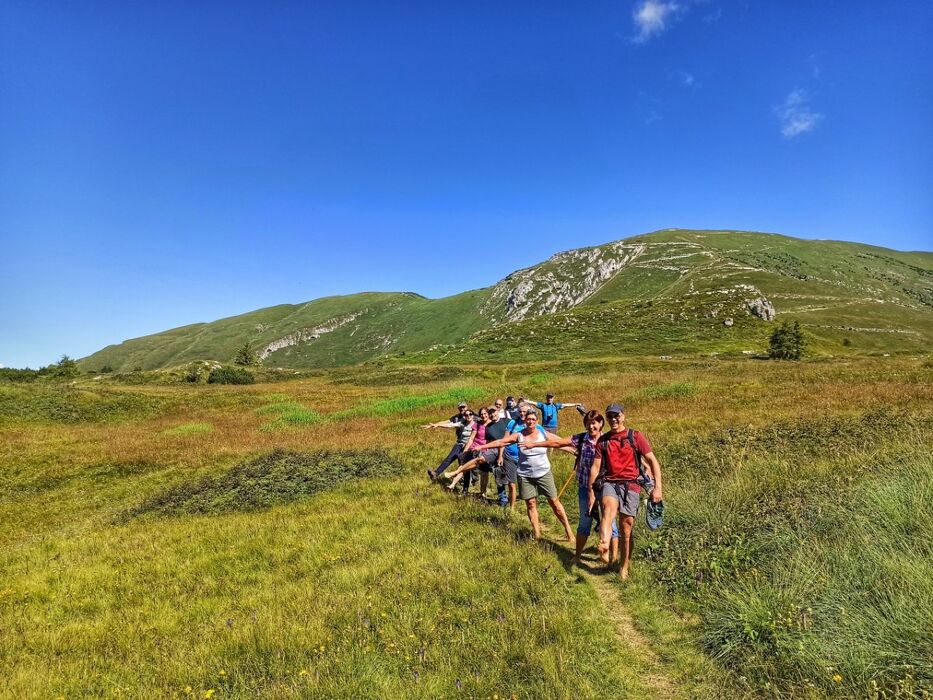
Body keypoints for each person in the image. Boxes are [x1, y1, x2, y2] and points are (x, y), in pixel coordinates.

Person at [525, 410, 620, 564]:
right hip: (584, 487)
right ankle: (577, 556)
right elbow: (557, 443)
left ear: (601, 423)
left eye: (594, 423)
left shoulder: (608, 439)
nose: (591, 426)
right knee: (585, 521)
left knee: (610, 522)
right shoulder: (581, 439)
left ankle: (614, 559)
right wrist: (535, 444)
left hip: (606, 487)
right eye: (588, 424)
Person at [589, 403, 664, 580]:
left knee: (626, 527)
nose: (613, 419)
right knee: (608, 509)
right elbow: (596, 467)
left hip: (631, 485)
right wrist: (591, 491)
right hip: (610, 482)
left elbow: (653, 461)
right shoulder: (603, 440)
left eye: (616, 416)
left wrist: (657, 488)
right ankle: (604, 543)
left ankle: (624, 566)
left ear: (623, 416)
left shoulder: (635, 436)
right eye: (610, 416)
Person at [482, 403, 574, 541]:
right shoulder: (519, 435)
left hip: (543, 473)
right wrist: (482, 447)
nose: (530, 421)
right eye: (528, 419)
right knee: (531, 503)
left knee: (554, 502)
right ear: (525, 421)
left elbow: (558, 443)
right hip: (525, 475)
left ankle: (569, 531)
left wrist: (574, 451)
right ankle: (537, 535)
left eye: (533, 419)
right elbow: (501, 442)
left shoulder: (542, 432)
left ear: (537, 421)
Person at [423, 403, 475, 482]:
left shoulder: (476, 423)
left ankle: (467, 482)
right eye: (466, 415)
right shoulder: (461, 422)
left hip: (468, 446)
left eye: (470, 414)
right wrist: (437, 425)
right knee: (449, 458)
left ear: (472, 415)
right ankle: (436, 473)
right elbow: (450, 424)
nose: (468, 416)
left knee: (463, 464)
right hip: (459, 444)